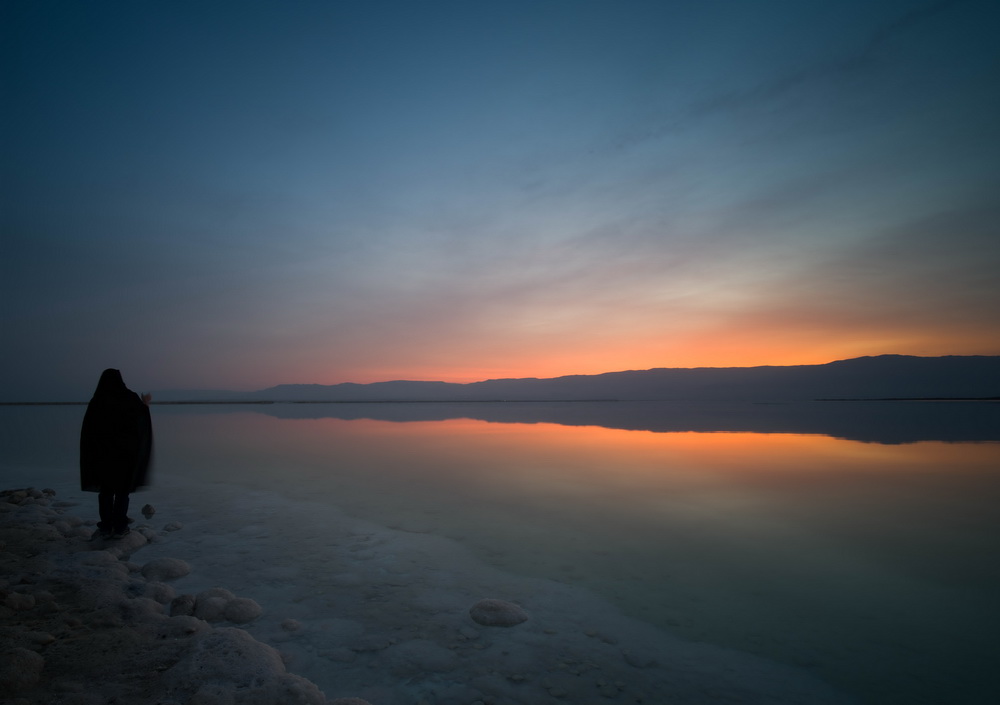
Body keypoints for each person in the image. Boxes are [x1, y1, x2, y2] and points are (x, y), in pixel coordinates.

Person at [80, 369, 154, 539]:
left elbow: (89, 431)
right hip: (125, 454)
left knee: (106, 492)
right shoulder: (129, 398)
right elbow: (140, 420)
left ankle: (106, 526)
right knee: (122, 491)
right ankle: (120, 527)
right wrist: (145, 404)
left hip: (103, 455)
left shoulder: (98, 400)